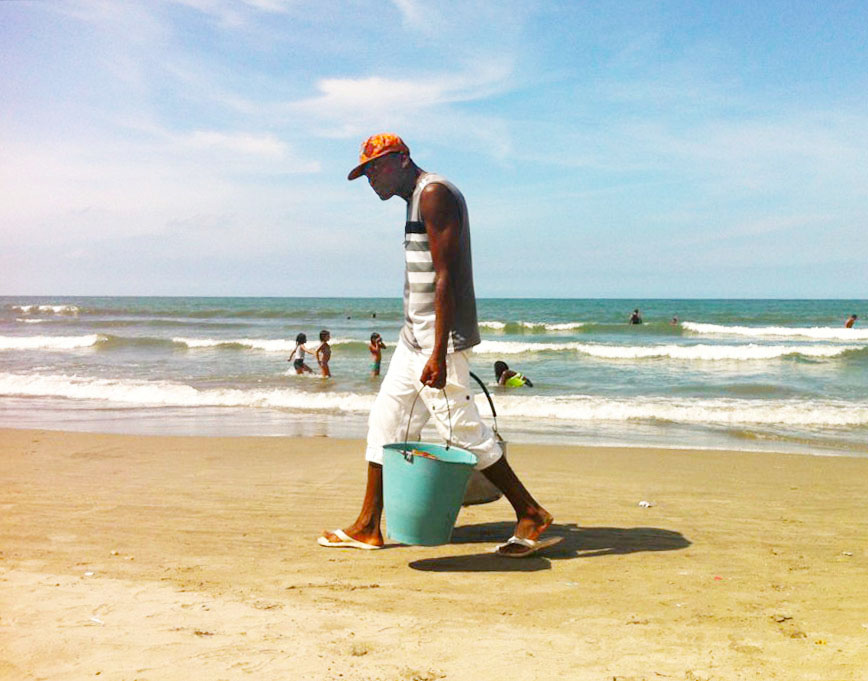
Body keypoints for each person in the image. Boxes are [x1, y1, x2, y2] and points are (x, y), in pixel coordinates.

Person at [318, 133, 559, 558]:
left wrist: (439, 352)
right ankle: (368, 526)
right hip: (414, 337)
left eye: (375, 168)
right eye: (366, 172)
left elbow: (446, 277)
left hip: (436, 339)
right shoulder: (415, 200)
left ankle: (530, 512)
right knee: (386, 424)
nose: (371, 179)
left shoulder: (433, 195)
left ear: (402, 160)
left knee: (460, 430)